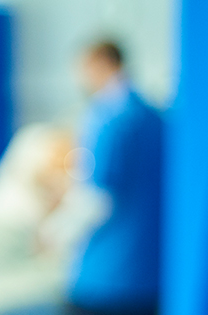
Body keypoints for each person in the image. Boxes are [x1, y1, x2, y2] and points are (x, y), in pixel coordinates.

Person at [68, 40, 164, 315]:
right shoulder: (155, 117)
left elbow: (96, 199)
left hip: (107, 280)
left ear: (99, 65)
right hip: (149, 276)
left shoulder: (107, 117)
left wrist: (53, 236)